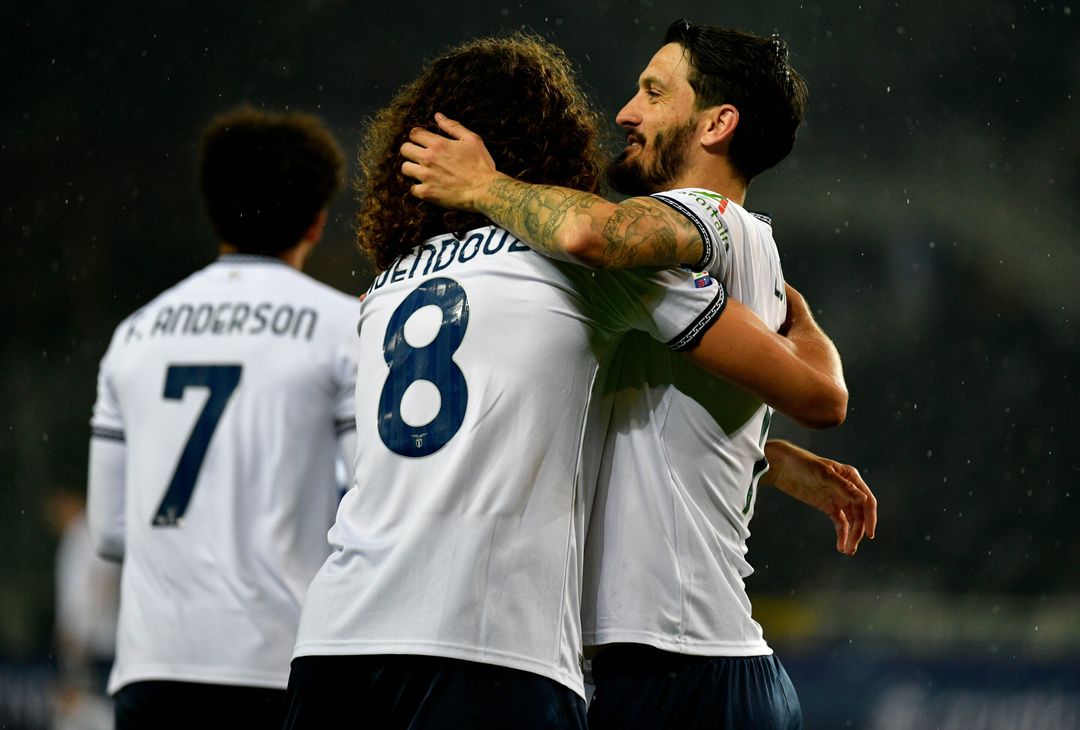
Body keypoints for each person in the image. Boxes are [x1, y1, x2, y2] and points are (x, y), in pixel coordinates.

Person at [284, 33, 845, 730]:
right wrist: (765, 434)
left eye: (654, 92)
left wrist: (482, 185)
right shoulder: (587, 280)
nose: (624, 113)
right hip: (512, 652)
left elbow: (588, 247)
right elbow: (809, 392)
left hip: (343, 638)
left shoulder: (387, 288)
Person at [86, 105, 360, 729]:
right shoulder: (346, 327)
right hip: (282, 664)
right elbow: (373, 502)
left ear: (213, 211)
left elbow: (109, 531)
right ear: (317, 221)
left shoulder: (134, 335)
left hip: (153, 669)